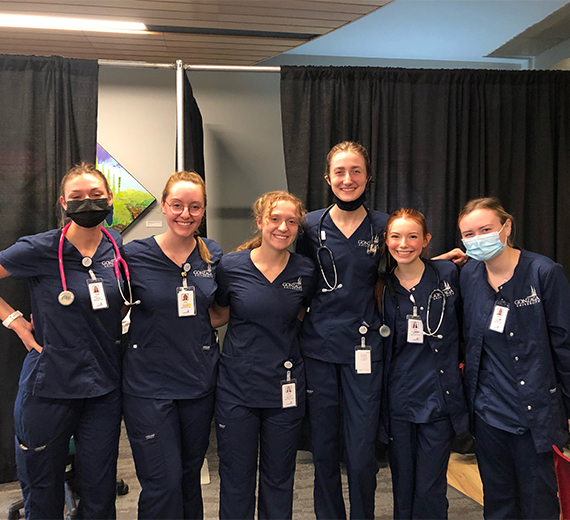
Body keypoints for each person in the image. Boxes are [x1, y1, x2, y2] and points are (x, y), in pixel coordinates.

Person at [0, 162, 127, 519]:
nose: (88, 202)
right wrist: (13, 320)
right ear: (63, 203)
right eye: (78, 197)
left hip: (102, 387)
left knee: (100, 490)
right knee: (42, 489)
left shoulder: (115, 246)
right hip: (49, 386)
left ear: (109, 198)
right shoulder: (40, 249)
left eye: (96, 195)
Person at [458, 197, 570, 519]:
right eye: (468, 234)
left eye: (485, 229)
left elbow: (565, 347)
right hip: (488, 415)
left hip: (534, 416)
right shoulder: (470, 277)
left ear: (506, 228)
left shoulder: (544, 273)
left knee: (539, 502)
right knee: (498, 502)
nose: (477, 239)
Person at [295, 141, 389, 520]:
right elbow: (291, 277)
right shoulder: (309, 225)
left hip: (365, 350)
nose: (347, 179)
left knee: (363, 451)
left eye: (355, 171)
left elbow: (408, 265)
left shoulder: (384, 226)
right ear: (327, 177)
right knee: (325, 448)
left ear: (368, 176)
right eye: (339, 172)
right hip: (319, 349)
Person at [121, 171, 222, 519]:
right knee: (162, 482)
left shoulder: (212, 256)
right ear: (163, 206)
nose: (185, 214)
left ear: (203, 210)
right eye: (177, 205)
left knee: (189, 477)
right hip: (149, 386)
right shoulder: (134, 255)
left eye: (194, 207)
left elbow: (218, 313)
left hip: (197, 382)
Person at [210, 190, 316, 520]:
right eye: (274, 219)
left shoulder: (305, 271)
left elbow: (303, 314)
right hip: (237, 388)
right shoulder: (231, 266)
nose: (282, 227)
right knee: (237, 478)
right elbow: (219, 313)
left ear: (299, 227)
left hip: (284, 388)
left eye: (291, 221)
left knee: (279, 477)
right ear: (260, 222)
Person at [377, 208, 468, 519]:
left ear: (426, 239)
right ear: (386, 241)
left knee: (430, 485)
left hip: (438, 397)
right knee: (402, 483)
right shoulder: (380, 288)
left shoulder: (448, 275)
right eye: (396, 236)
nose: (404, 243)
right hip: (398, 398)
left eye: (413, 236)